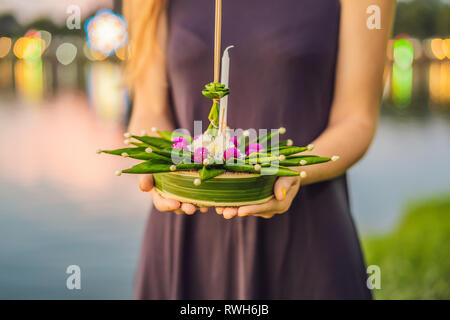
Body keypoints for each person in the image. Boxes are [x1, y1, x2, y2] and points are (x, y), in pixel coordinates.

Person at [124, 0, 395, 299]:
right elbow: (149, 108)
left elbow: (356, 119)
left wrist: (290, 171)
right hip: (182, 233)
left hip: (306, 240)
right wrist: (157, 165)